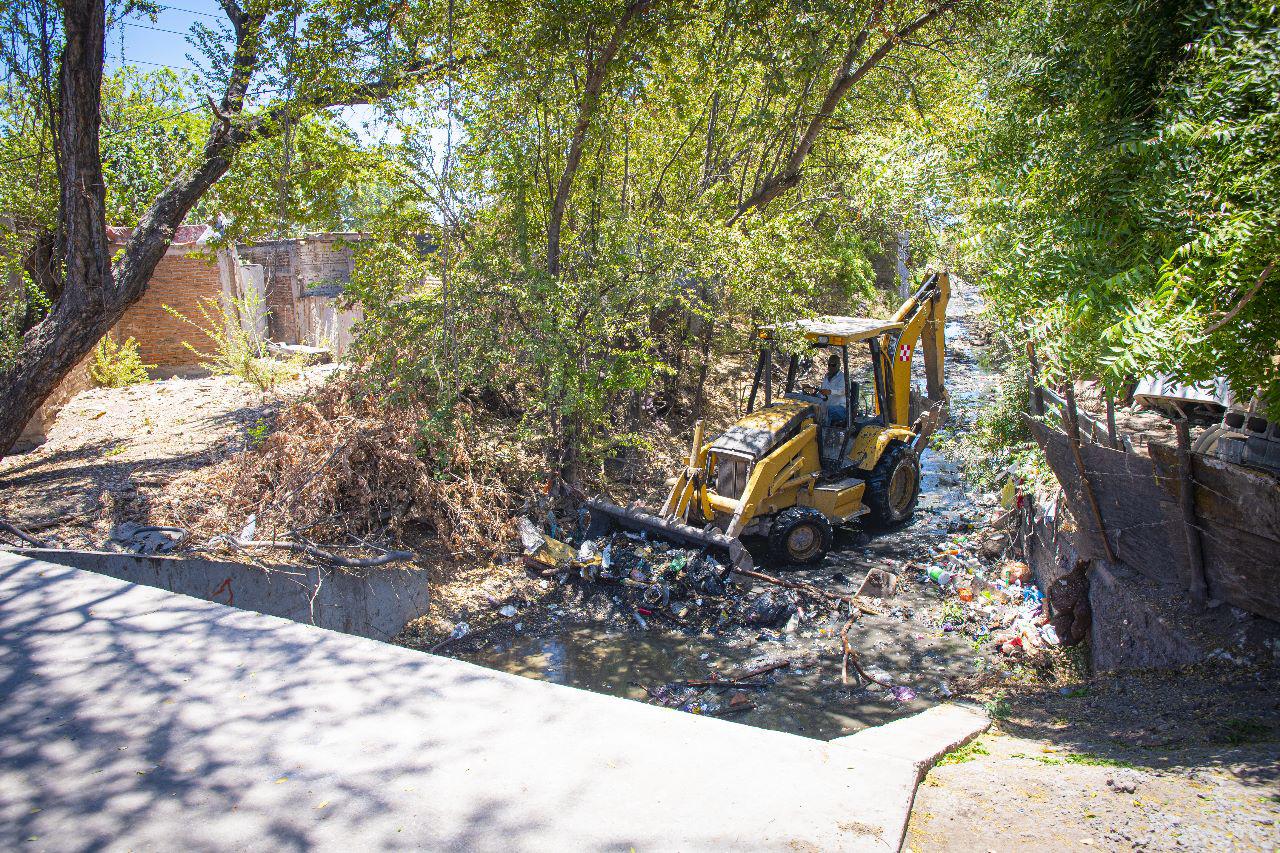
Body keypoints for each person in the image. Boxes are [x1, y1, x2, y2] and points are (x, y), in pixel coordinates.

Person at [820, 353, 846, 426]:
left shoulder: (843, 377)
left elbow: (843, 391)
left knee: (827, 411)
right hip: (826, 405)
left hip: (841, 408)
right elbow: (823, 390)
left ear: (839, 365)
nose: (831, 367)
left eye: (833, 365)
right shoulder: (826, 376)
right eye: (829, 365)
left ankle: (824, 432)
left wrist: (830, 392)